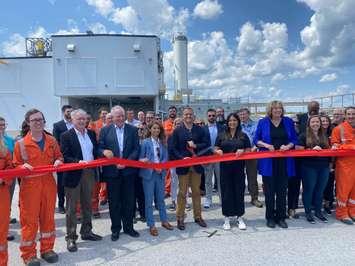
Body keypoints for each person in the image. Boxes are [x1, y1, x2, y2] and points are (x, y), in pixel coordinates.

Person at [13, 109, 63, 265]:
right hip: (30, 187)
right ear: (28, 123)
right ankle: (29, 255)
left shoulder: (52, 141)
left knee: (48, 219)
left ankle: (47, 249)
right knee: (30, 221)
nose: (38, 122)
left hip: (48, 184)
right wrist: (21, 167)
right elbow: (15, 165)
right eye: (34, 120)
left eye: (41, 119)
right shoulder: (20, 144)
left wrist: (59, 161)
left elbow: (59, 156)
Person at [60, 109, 102, 252]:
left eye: (84, 119)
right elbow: (65, 156)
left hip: (89, 173)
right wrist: (79, 162)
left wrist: (103, 154)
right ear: (72, 120)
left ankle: (87, 231)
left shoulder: (90, 133)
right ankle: (71, 237)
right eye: (79, 119)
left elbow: (95, 151)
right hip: (74, 174)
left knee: (87, 204)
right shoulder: (66, 135)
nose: (82, 121)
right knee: (71, 208)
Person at [98, 105, 140, 241]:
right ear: (113, 117)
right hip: (112, 173)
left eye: (122, 115)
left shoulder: (133, 130)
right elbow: (99, 147)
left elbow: (136, 149)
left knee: (129, 201)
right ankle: (115, 229)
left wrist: (127, 162)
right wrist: (103, 152)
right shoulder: (105, 130)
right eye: (118, 116)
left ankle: (129, 228)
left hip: (128, 171)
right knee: (114, 203)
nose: (121, 118)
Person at [254, 101, 298, 229]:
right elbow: (256, 140)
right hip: (268, 161)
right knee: (269, 192)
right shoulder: (263, 122)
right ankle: (270, 217)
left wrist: (288, 146)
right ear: (270, 110)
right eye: (275, 108)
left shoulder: (288, 121)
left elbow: (294, 140)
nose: (278, 110)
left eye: (280, 108)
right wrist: (267, 145)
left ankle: (281, 217)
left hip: (285, 161)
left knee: (282, 191)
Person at [171, 107, 209, 230]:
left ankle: (198, 216)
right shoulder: (177, 131)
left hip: (197, 166)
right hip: (183, 166)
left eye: (190, 114)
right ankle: (180, 217)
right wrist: (182, 158)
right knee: (182, 193)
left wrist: (196, 145)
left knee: (196, 192)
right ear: (183, 116)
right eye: (186, 114)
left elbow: (207, 145)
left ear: (194, 116)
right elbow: (173, 148)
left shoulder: (200, 130)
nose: (188, 116)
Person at [215, 113, 251, 230]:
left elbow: (249, 150)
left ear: (238, 122)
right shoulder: (221, 135)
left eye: (234, 120)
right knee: (226, 192)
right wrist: (218, 151)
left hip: (239, 168)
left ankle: (239, 217)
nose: (232, 122)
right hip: (225, 168)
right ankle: (226, 217)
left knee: (239, 191)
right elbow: (215, 147)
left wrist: (243, 151)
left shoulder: (243, 136)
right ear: (227, 122)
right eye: (230, 121)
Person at [139, 121, 174, 236]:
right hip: (148, 175)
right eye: (154, 128)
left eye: (158, 129)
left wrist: (160, 167)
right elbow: (140, 159)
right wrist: (151, 164)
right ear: (150, 130)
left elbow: (165, 157)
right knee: (149, 201)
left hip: (160, 174)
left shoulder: (163, 143)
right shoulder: (145, 143)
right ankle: (151, 224)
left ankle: (164, 221)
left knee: (161, 199)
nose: (156, 131)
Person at [297, 115, 330, 224]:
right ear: (309, 124)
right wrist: (311, 150)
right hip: (309, 167)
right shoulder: (303, 136)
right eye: (313, 122)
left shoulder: (324, 135)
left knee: (320, 191)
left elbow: (329, 151)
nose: (315, 124)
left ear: (320, 123)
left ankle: (318, 212)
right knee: (308, 190)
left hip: (324, 167)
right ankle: (308, 212)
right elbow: (298, 151)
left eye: (317, 122)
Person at [331, 106, 355, 225]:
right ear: (345, 115)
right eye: (349, 114)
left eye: (353, 114)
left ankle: (352, 211)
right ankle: (342, 213)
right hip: (345, 165)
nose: (351, 116)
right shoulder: (338, 129)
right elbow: (335, 146)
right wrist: (351, 147)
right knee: (343, 190)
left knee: (354, 191)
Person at [238, 108, 263, 208]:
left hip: (252, 154)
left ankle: (254, 198)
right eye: (240, 115)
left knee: (252, 177)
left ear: (249, 114)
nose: (242, 116)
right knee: (239, 177)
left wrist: (254, 147)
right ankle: (239, 199)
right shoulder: (237, 126)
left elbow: (259, 138)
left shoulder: (256, 125)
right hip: (239, 155)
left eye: (244, 114)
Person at [52, 105, 73, 214]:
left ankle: (72, 205)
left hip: (74, 159)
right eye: (68, 111)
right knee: (61, 183)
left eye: (71, 111)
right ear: (63, 112)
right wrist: (61, 156)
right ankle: (61, 204)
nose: (70, 113)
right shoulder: (58, 125)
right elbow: (56, 142)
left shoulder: (75, 123)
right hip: (62, 159)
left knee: (73, 182)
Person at [90, 107, 110, 217]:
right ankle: (95, 206)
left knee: (107, 180)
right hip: (97, 158)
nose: (104, 115)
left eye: (106, 114)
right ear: (99, 115)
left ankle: (105, 197)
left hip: (109, 158)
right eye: (103, 114)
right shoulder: (94, 124)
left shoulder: (111, 126)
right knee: (96, 183)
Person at [202, 109, 224, 208]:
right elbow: (202, 144)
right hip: (208, 157)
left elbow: (224, 141)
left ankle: (222, 198)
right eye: (210, 115)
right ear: (207, 117)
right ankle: (208, 199)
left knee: (221, 179)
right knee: (208, 179)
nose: (211, 117)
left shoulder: (222, 127)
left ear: (216, 116)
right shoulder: (202, 129)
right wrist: (210, 150)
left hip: (219, 156)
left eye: (213, 115)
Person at [0, 129, 13, 266]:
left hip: (1, 194)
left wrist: (3, 179)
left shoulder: (4, 150)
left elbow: (11, 168)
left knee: (1, 230)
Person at [167, 117, 183, 211]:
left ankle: (184, 202)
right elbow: (170, 150)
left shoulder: (185, 135)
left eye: (180, 123)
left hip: (183, 162)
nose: (178, 125)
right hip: (174, 162)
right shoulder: (170, 136)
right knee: (174, 182)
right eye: (176, 123)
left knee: (184, 182)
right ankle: (173, 201)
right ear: (174, 125)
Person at [320, 114, 334, 214]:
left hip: (330, 163)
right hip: (319, 163)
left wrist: (332, 164)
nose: (325, 123)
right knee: (320, 185)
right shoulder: (316, 133)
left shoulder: (333, 132)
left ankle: (328, 204)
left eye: (326, 121)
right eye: (322, 121)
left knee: (329, 185)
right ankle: (317, 203)